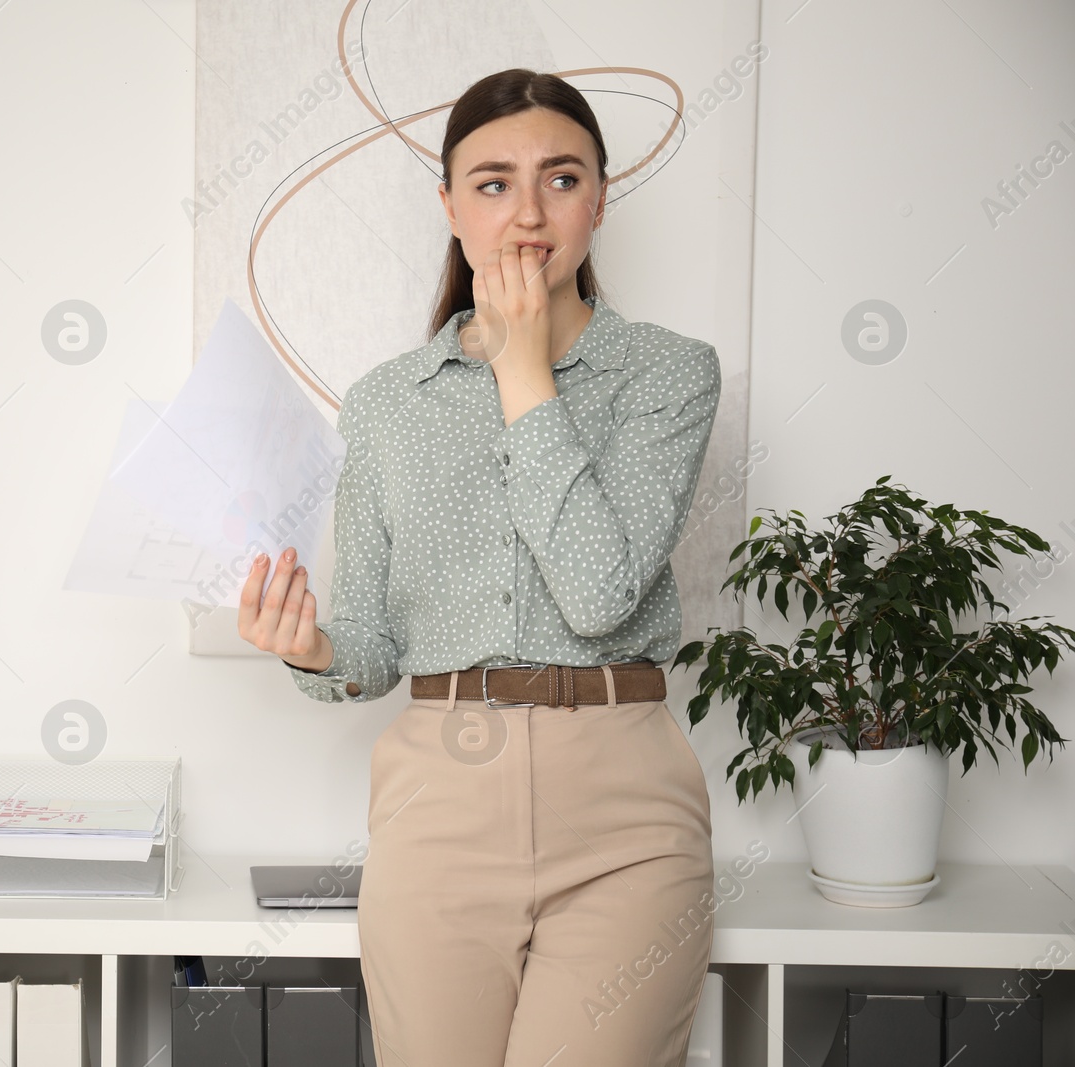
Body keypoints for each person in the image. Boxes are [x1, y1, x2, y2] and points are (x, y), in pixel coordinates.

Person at [239, 68, 721, 1067]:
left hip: (624, 811)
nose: (528, 212)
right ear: (450, 205)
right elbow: (370, 643)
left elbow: (597, 595)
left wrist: (521, 369)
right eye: (493, 182)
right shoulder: (386, 402)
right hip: (438, 811)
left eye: (561, 177)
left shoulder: (668, 373)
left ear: (599, 197)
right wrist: (312, 644)